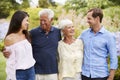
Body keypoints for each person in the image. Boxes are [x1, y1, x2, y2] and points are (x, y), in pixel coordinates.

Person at [3, 9, 61, 80]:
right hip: (36, 71)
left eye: (44, 20)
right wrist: (6, 52)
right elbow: (13, 50)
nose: (42, 22)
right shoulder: (32, 33)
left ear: (51, 20)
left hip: (49, 71)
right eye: (40, 20)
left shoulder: (58, 32)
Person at [79, 8, 118, 80]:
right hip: (85, 75)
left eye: (89, 19)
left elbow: (113, 58)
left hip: (100, 75)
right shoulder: (84, 34)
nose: (87, 21)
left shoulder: (109, 36)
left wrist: (111, 77)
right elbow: (74, 44)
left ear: (97, 19)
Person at [4, 10, 35, 80]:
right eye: (26, 20)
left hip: (31, 70)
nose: (28, 23)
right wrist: (11, 78)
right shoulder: (10, 38)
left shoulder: (27, 35)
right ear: (19, 20)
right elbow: (10, 62)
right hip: (19, 73)